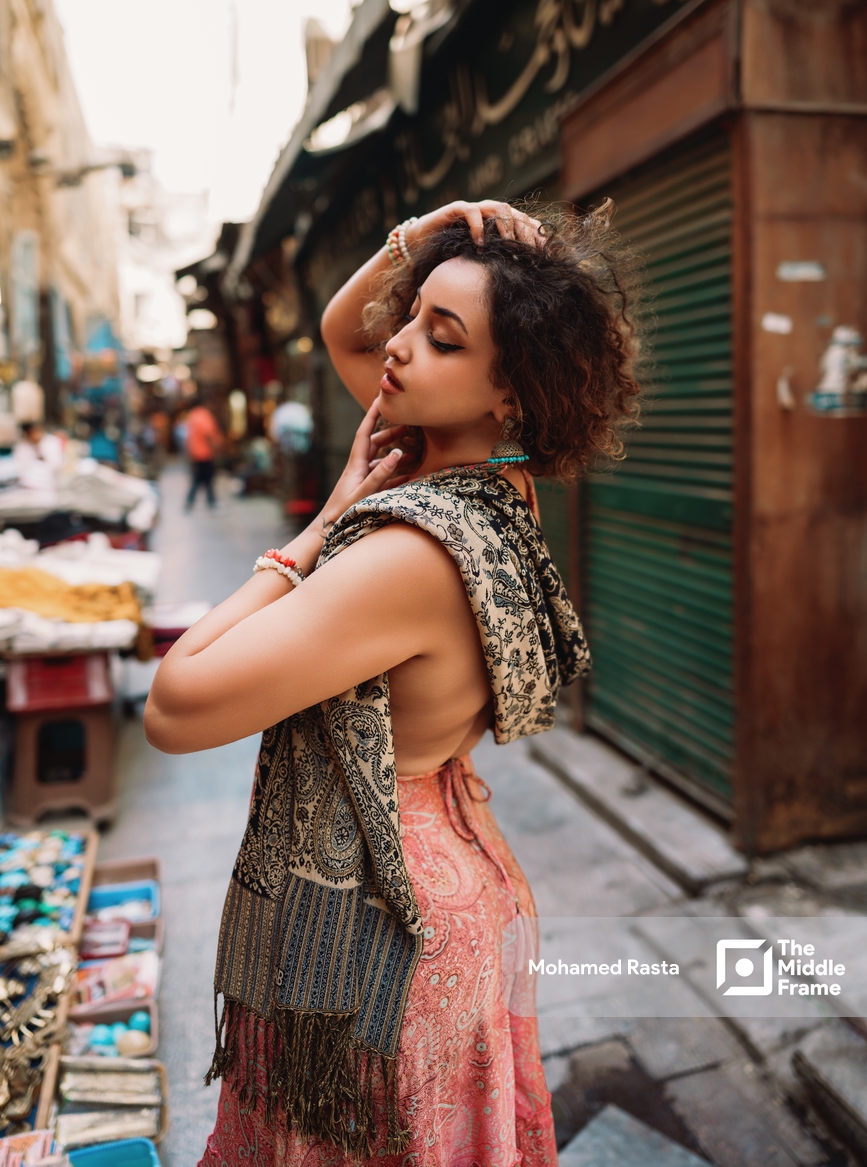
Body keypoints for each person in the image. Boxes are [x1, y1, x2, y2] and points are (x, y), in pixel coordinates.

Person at [144, 199, 640, 1166]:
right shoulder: (490, 479)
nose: (399, 345)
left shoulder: (405, 551)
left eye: (441, 337)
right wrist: (424, 234)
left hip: (380, 932)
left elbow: (173, 704)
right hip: (450, 883)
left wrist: (318, 529)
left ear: (512, 391)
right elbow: (344, 329)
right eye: (411, 314)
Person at [184, 398, 224, 510]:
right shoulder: (203, 415)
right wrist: (215, 449)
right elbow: (208, 434)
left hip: (196, 453)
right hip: (205, 453)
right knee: (205, 478)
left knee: (201, 479)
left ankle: (194, 501)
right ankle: (210, 501)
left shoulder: (192, 416)